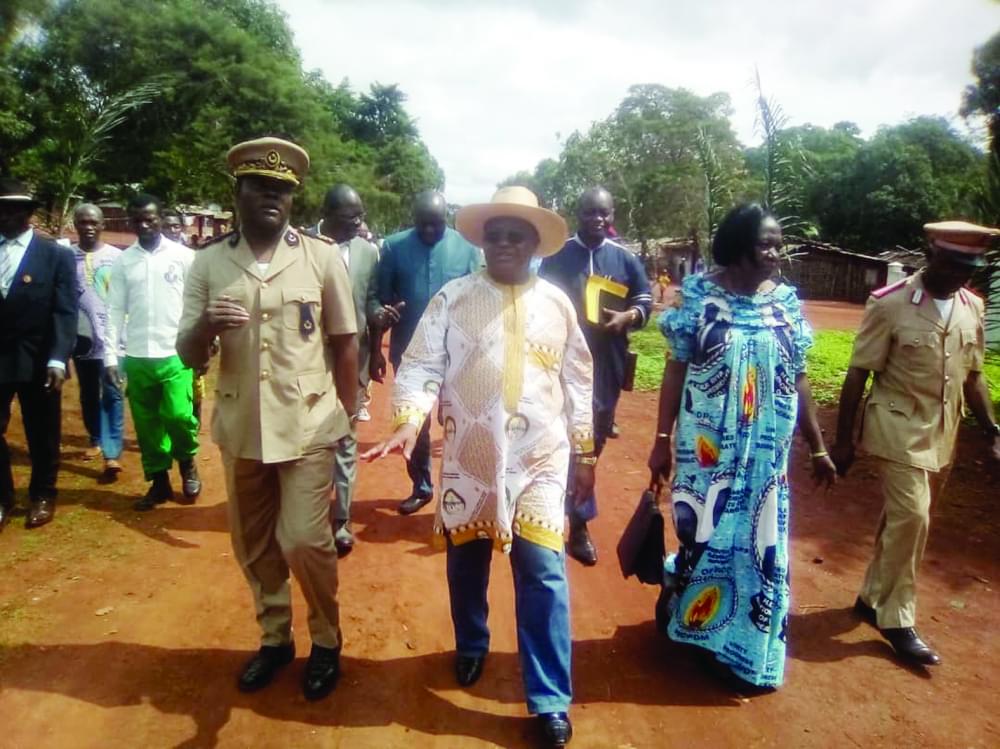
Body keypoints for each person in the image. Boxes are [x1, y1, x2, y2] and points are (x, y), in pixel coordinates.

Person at [362, 186, 594, 748]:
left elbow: (579, 377)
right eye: (496, 234)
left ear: (536, 243)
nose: (506, 243)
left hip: (540, 459)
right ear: (483, 242)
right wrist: (409, 420)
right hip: (469, 454)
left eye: (518, 235)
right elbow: (419, 364)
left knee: (543, 572)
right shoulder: (454, 297)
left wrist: (585, 451)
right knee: (466, 563)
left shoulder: (558, 303)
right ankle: (471, 645)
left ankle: (549, 697)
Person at [177, 137, 359, 701]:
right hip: (242, 424)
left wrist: (347, 416)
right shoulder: (208, 263)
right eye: (260, 187)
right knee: (253, 545)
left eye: (282, 189)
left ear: (292, 198)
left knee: (305, 540)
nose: (272, 197)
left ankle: (326, 640)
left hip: (307, 424)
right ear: (237, 193)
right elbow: (186, 353)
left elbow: (346, 340)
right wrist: (206, 325)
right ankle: (275, 638)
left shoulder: (320, 256)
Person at [647, 203, 836, 689]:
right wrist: (662, 440)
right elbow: (675, 369)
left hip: (765, 455)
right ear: (737, 245)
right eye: (765, 243)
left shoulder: (786, 305)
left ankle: (743, 649)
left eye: (778, 242)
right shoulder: (699, 297)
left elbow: (799, 376)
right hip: (706, 450)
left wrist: (817, 447)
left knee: (759, 545)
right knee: (706, 534)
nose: (775, 252)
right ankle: (691, 621)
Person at [831, 220, 1000, 667]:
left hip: (942, 431)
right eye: (952, 263)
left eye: (969, 267)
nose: (960, 274)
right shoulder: (890, 304)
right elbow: (857, 373)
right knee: (914, 516)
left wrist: (992, 430)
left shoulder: (972, 308)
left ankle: (871, 596)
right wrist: (842, 440)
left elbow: (975, 376)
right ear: (930, 253)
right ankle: (897, 618)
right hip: (894, 425)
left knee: (902, 520)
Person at [540, 186, 652, 565]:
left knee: (591, 446)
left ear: (612, 215)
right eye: (590, 213)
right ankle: (573, 524)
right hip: (559, 366)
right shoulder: (558, 256)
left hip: (606, 368)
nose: (598, 220)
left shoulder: (625, 259)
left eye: (604, 213)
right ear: (578, 215)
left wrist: (629, 317)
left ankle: (576, 520)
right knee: (560, 438)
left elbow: (645, 299)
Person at [372, 190, 482, 516]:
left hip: (458, 356)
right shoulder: (393, 247)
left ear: (445, 218)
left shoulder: (466, 248)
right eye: (423, 225)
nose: (430, 231)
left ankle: (458, 491)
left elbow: (477, 298)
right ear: (414, 220)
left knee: (456, 423)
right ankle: (421, 486)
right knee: (414, 424)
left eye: (436, 225)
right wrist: (380, 322)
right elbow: (378, 298)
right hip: (410, 354)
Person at [104, 193, 201, 510]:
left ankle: (187, 461)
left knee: (178, 415)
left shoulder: (183, 256)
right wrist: (110, 356)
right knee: (147, 426)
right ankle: (159, 483)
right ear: (129, 222)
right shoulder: (123, 261)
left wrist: (200, 343)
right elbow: (114, 310)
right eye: (137, 220)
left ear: (161, 219)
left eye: (150, 219)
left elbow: (196, 304)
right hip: (137, 355)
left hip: (175, 352)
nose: (144, 225)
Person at [0, 179, 77, 531]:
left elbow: (65, 310)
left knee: (42, 432)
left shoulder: (55, 255)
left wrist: (59, 358)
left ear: (28, 214)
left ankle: (43, 495)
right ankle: (3, 498)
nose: (5, 215)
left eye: (13, 209)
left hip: (39, 359)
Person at [311, 183, 381, 556]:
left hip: (352, 359)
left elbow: (368, 299)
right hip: (309, 363)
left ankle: (341, 519)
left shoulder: (368, 252)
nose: (359, 221)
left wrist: (378, 314)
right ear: (328, 213)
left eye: (361, 214)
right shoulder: (302, 247)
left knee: (346, 437)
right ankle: (304, 511)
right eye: (351, 215)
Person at [71, 203, 125, 480]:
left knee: (113, 393)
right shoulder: (66, 257)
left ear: (103, 225)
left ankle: (112, 454)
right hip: (82, 341)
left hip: (114, 341)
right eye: (83, 222)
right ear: (75, 225)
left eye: (93, 222)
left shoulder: (117, 258)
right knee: (88, 393)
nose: (88, 227)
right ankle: (95, 438)